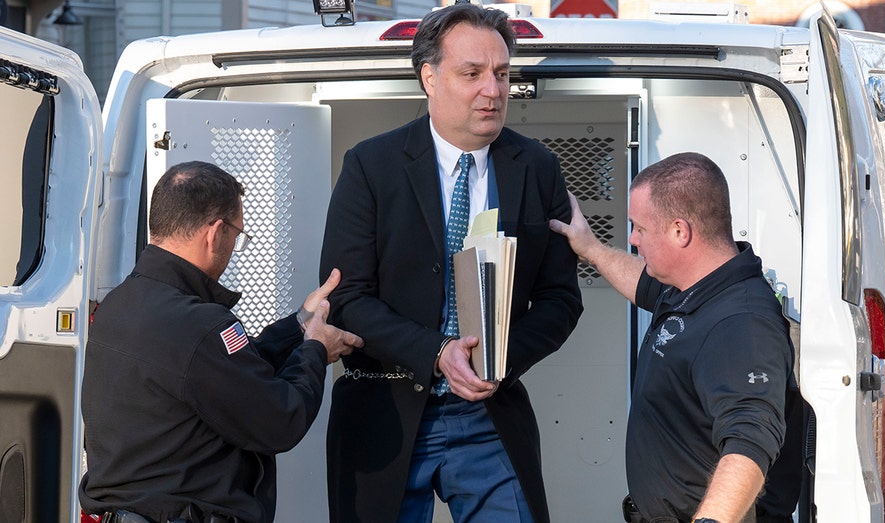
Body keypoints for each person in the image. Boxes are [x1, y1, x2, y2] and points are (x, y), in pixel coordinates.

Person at [319, 3, 584, 522]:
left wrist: (497, 361)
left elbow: (560, 300)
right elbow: (345, 298)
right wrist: (438, 353)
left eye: (502, 73)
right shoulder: (370, 165)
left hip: (490, 418)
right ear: (429, 77)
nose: (493, 89)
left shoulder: (538, 167)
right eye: (473, 73)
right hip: (385, 417)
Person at [79, 161, 363, 523]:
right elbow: (280, 419)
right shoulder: (198, 326)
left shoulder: (119, 304)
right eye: (238, 236)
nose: (233, 248)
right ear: (215, 233)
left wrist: (299, 324)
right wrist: (316, 350)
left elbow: (229, 375)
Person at [549, 152, 794, 523]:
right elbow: (641, 283)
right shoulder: (693, 286)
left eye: (640, 228)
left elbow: (751, 439)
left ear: (680, 232)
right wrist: (592, 250)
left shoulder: (741, 324)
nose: (632, 239)